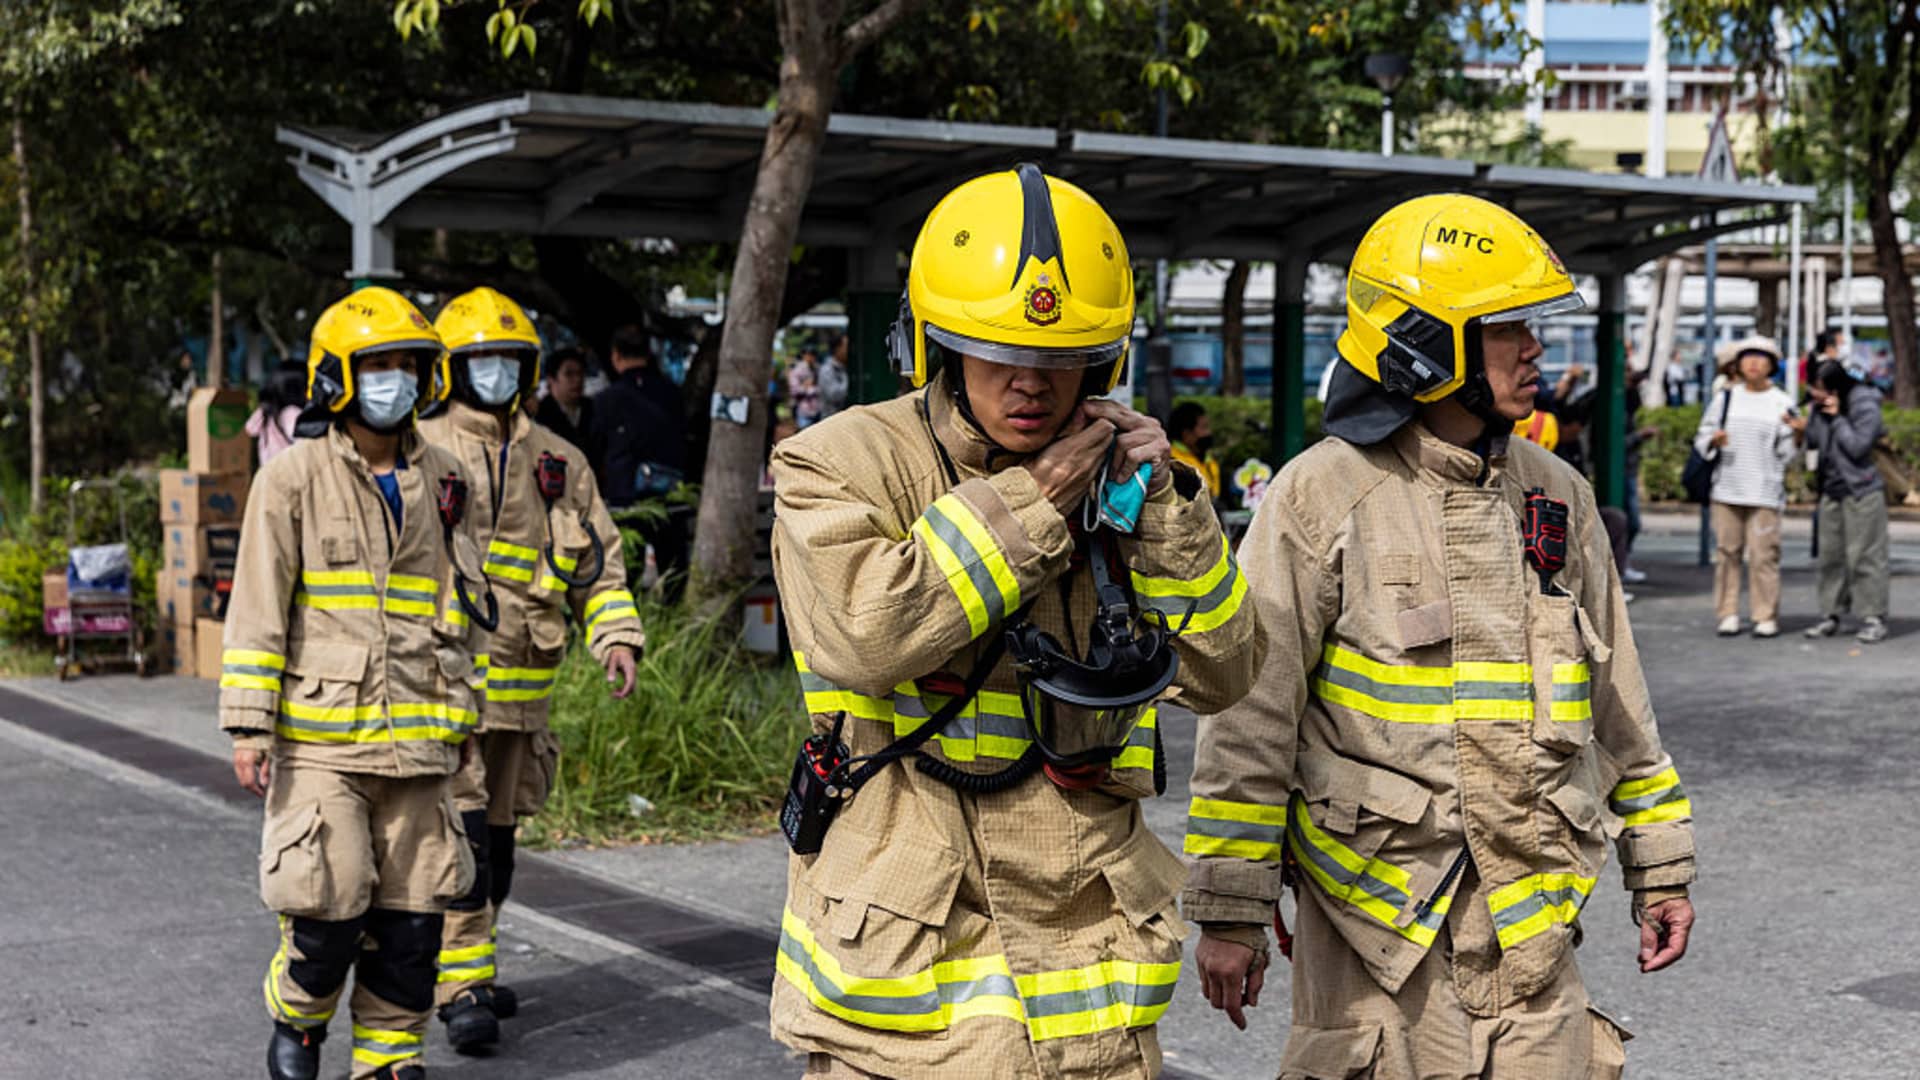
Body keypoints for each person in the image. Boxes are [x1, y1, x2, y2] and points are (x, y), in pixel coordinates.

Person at [767, 164, 1262, 1077]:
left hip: (1090, 984)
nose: (1033, 382)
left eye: (1063, 357)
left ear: (1105, 360)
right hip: (908, 993)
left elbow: (1226, 674)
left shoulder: (1135, 479)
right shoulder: (834, 462)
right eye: (1000, 352)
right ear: (939, 345)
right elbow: (868, 631)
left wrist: (1167, 510)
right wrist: (1035, 504)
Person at [1185, 194, 1696, 1078]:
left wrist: (1662, 864)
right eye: (1508, 327)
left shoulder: (1558, 495)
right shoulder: (1320, 497)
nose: (1537, 348)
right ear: (1424, 340)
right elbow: (1250, 717)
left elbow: (1621, 703)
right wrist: (1232, 910)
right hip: (1374, 930)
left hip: (1531, 931)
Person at [221, 287, 480, 1080]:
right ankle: (297, 1019)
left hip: (422, 736)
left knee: (412, 922)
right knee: (328, 910)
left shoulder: (446, 479)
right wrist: (248, 724)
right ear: (338, 375)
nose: (396, 380)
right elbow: (259, 605)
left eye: (409, 365)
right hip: (322, 740)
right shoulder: (291, 478)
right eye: (379, 365)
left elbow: (459, 605)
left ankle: (389, 1056)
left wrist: (463, 711)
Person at [418, 287, 646, 1052]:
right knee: (465, 847)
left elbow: (603, 570)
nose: (493, 374)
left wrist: (616, 637)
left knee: (502, 851)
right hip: (444, 693)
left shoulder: (559, 461)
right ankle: (462, 989)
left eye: (506, 361)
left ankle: (461, 967)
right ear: (452, 369)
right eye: (478, 361)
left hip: (523, 701)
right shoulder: (421, 454)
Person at [1695, 335, 1796, 637]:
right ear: (1738, 364)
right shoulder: (1725, 398)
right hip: (1726, 489)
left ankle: (1765, 615)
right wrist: (1713, 441)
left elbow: (1789, 452)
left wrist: (1798, 436)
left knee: (1764, 555)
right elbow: (1702, 437)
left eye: (1761, 357)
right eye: (1748, 357)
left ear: (1772, 365)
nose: (1753, 363)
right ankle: (1727, 612)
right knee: (1727, 553)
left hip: (1765, 491)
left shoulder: (1782, 401)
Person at [1792, 359, 1891, 644]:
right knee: (1829, 556)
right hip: (1831, 490)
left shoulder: (1864, 403)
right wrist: (1802, 423)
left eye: (1820, 388)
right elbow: (1814, 442)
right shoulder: (1820, 406)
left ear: (1836, 386)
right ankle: (1830, 614)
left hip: (1861, 489)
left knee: (1865, 556)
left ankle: (1873, 617)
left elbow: (1859, 446)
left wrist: (1837, 418)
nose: (1815, 393)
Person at [592, 325, 690, 598]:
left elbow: (595, 448)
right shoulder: (672, 394)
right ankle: (676, 622)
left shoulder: (606, 400)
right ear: (649, 354)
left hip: (625, 496)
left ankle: (627, 628)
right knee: (674, 573)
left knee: (626, 573)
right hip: (670, 497)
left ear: (616, 356)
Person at [533, 346, 596, 457]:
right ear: (551, 379)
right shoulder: (540, 414)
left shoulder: (593, 408)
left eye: (580, 373)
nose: (577, 380)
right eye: (569, 374)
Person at [247, 362, 310, 465]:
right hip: (289, 474)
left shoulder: (267, 412)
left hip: (268, 473)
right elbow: (306, 442)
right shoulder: (291, 414)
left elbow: (250, 429)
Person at [1168, 401, 1224, 493]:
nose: (1209, 433)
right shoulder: (1174, 463)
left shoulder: (1208, 459)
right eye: (1204, 428)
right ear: (1187, 434)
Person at [816, 335, 851, 419]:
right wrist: (847, 379)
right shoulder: (827, 370)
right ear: (837, 349)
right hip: (830, 420)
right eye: (846, 346)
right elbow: (835, 396)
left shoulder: (843, 367)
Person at [787, 349, 822, 428]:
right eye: (808, 354)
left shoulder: (817, 368)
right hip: (803, 410)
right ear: (804, 355)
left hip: (818, 409)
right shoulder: (797, 370)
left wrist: (810, 387)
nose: (811, 357)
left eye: (813, 355)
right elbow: (794, 391)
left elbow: (822, 388)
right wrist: (806, 388)